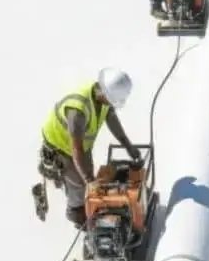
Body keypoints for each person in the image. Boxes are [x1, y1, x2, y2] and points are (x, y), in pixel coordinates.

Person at [38, 67, 143, 229]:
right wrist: (88, 180)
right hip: (60, 146)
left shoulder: (102, 98)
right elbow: (76, 150)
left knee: (90, 176)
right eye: (112, 101)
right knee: (81, 184)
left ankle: (88, 202)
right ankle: (75, 213)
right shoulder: (78, 110)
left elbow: (112, 120)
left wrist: (128, 146)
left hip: (81, 146)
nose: (111, 105)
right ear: (105, 94)